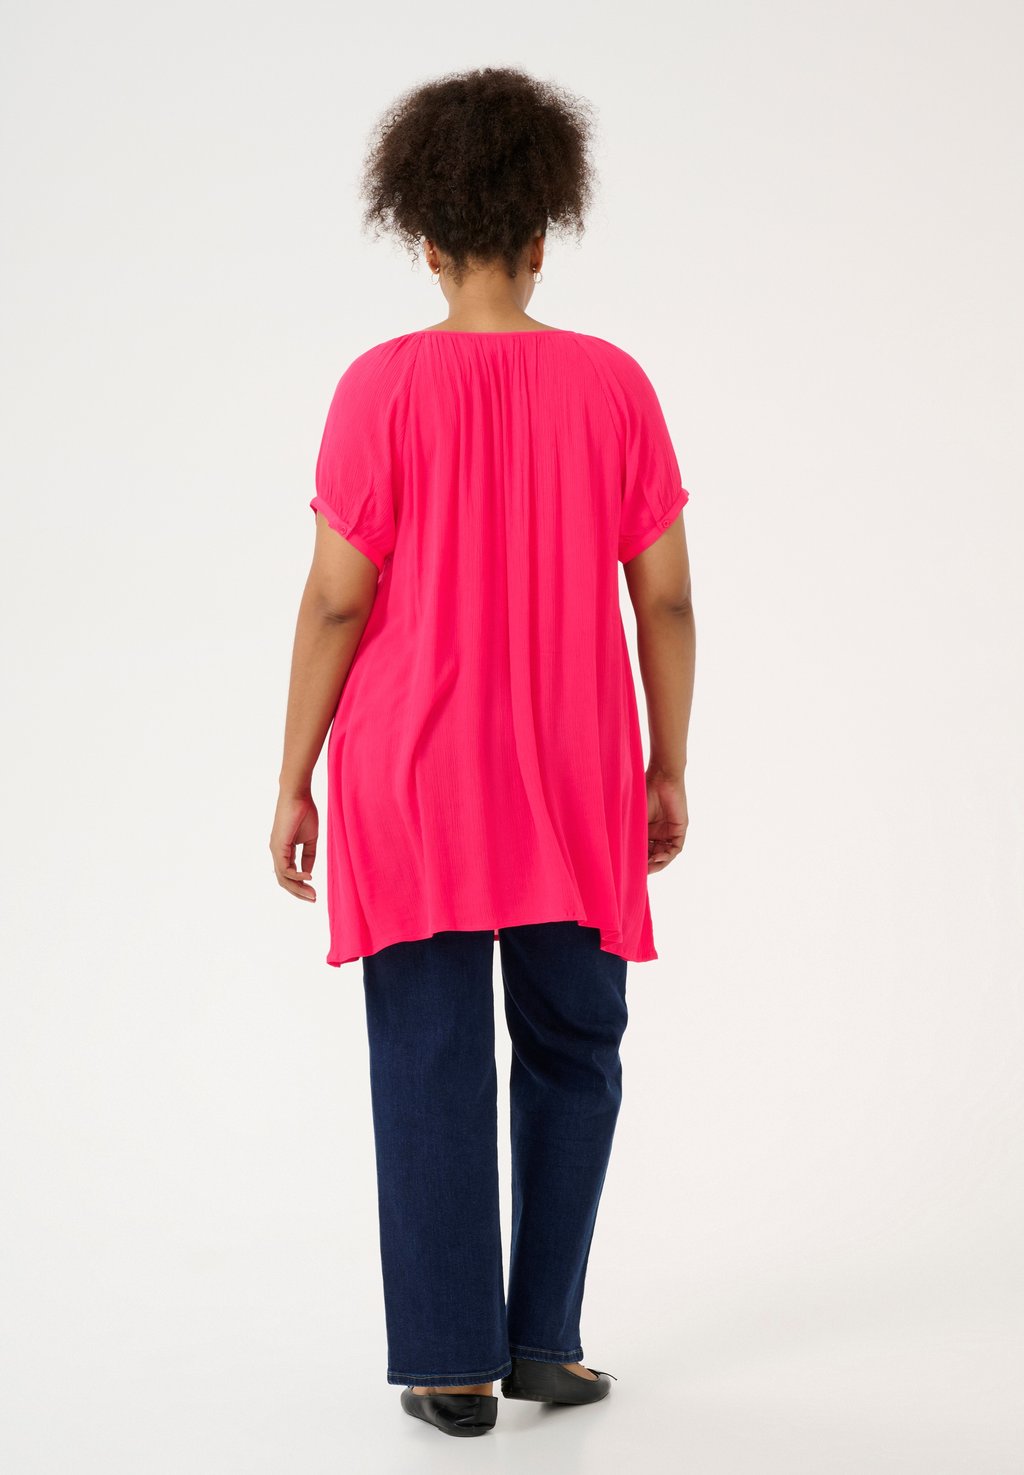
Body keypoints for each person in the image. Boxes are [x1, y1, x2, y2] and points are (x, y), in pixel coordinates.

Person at [270, 65, 696, 1439]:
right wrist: (668, 762)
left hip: (410, 779)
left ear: (425, 238)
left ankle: (451, 1363)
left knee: (429, 1057)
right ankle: (544, 1339)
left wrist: (292, 772)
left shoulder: (378, 388)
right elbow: (666, 600)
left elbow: (338, 599)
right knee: (576, 1046)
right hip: (575, 778)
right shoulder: (613, 386)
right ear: (541, 234)